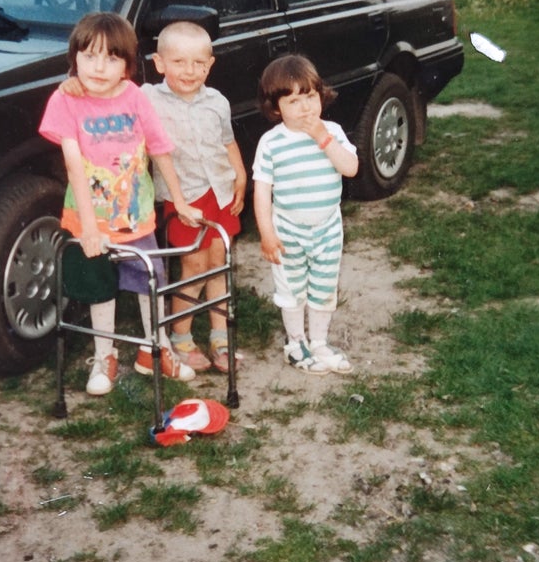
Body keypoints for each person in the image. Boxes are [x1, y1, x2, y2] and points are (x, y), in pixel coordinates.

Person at [61, 21, 247, 373]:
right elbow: (103, 86)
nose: (189, 71)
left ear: (210, 64)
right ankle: (181, 337)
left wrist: (241, 175)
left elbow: (227, 142)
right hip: (184, 197)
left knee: (218, 261)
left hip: (219, 191)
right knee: (192, 264)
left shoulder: (217, 101)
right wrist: (71, 82)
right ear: (159, 64)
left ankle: (220, 337)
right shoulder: (145, 96)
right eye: (178, 62)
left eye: (198, 63)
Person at [39, 12, 203, 396]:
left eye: (111, 58)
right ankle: (104, 355)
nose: (99, 67)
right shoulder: (66, 100)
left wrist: (178, 200)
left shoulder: (135, 97)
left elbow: (160, 150)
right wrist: (91, 227)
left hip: (137, 217)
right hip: (89, 220)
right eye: (89, 56)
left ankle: (155, 349)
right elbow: (74, 164)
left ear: (128, 65)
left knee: (151, 281)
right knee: (100, 289)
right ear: (74, 58)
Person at [252, 55, 359, 374]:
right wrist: (267, 233)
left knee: (324, 288)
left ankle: (319, 343)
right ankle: (295, 343)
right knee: (292, 289)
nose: (305, 108)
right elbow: (262, 191)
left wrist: (323, 139)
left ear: (321, 95)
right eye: (294, 101)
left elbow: (351, 168)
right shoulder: (271, 143)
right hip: (288, 232)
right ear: (276, 107)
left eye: (310, 96)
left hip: (327, 228)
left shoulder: (333, 132)